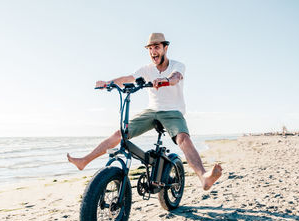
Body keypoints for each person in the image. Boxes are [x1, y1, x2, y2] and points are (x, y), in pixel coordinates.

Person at [67, 33, 222, 191]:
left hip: (172, 111)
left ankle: (204, 177)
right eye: (150, 48)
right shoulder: (146, 69)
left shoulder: (177, 65)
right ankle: (84, 161)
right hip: (151, 110)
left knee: (183, 138)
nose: (153, 51)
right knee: (120, 133)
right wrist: (108, 83)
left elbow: (175, 77)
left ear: (165, 48)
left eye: (157, 47)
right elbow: (128, 78)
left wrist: (165, 80)